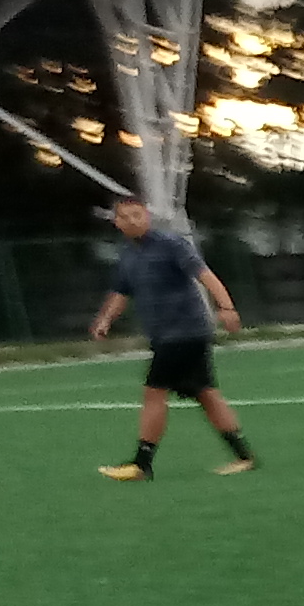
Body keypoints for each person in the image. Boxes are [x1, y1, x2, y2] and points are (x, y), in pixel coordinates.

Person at [88, 197, 254, 480]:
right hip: (166, 335)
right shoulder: (127, 255)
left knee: (154, 392)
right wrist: (105, 320)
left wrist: (226, 307)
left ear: (147, 216)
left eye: (137, 215)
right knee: (206, 393)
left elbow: (206, 275)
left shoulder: (170, 244)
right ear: (116, 222)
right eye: (125, 217)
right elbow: (121, 292)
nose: (132, 221)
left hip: (184, 333)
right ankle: (243, 456)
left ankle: (142, 464)